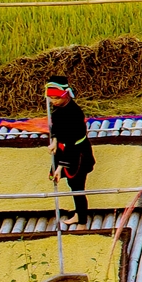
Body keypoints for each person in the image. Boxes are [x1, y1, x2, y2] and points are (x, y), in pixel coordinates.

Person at [46, 76, 95, 228]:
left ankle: (82, 222)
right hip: (64, 149)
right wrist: (54, 140)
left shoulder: (74, 113)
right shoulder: (58, 110)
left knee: (78, 187)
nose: (53, 101)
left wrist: (60, 167)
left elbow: (72, 143)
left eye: (56, 98)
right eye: (51, 98)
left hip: (77, 152)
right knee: (72, 185)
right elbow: (56, 128)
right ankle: (78, 214)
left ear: (65, 95)